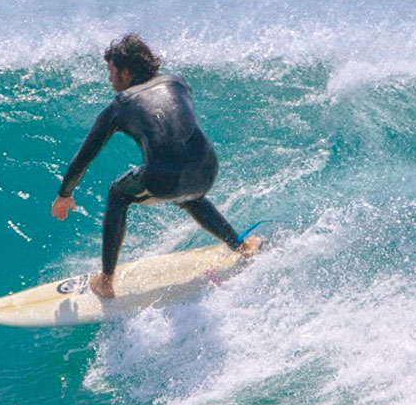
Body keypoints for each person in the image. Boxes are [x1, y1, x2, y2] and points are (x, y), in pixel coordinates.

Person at [51, 34, 261, 298]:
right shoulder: (178, 82)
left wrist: (65, 194)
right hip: (207, 169)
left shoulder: (119, 105)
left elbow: (83, 158)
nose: (109, 79)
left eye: (111, 71)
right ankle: (241, 247)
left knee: (118, 193)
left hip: (164, 177)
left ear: (126, 73)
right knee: (190, 197)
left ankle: (106, 280)